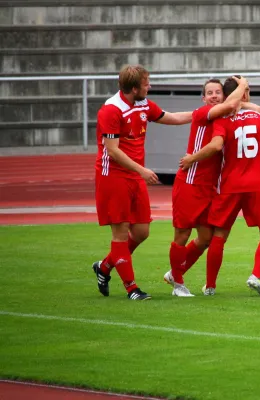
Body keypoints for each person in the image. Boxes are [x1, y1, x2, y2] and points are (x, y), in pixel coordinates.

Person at [92, 64, 194, 300]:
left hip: (135, 176)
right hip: (113, 177)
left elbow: (172, 117)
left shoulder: (143, 104)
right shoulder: (111, 110)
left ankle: (104, 267)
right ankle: (132, 288)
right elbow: (113, 150)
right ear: (134, 88)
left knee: (141, 232)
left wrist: (205, 113)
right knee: (120, 234)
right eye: (146, 84)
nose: (150, 86)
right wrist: (142, 170)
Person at [163, 76, 260, 297]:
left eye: (218, 92)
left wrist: (240, 102)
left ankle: (174, 273)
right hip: (190, 183)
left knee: (206, 237)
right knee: (182, 234)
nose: (214, 96)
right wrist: (243, 85)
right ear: (203, 98)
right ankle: (178, 284)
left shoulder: (223, 115)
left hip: (209, 187)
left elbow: (258, 109)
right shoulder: (203, 113)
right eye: (209, 93)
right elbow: (217, 143)